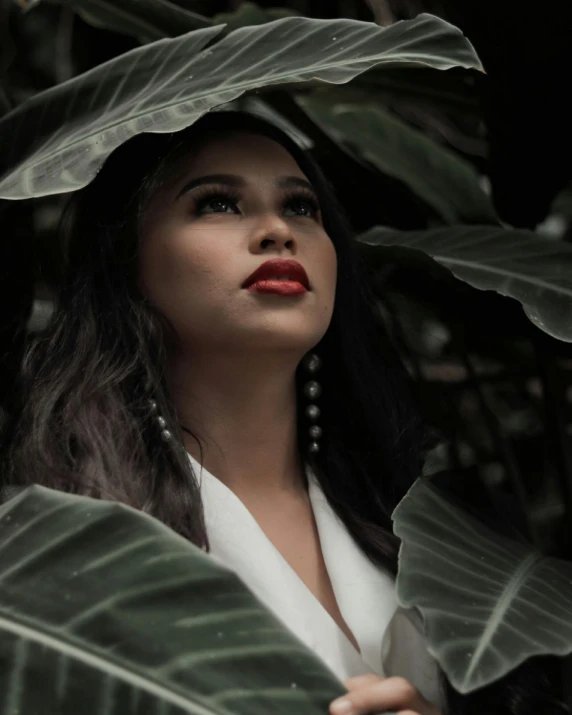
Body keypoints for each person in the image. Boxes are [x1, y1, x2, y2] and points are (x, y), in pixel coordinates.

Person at [4, 108, 559, 715]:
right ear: (127, 259)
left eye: (301, 207)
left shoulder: (429, 524)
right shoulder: (56, 540)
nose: (276, 230)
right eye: (217, 203)